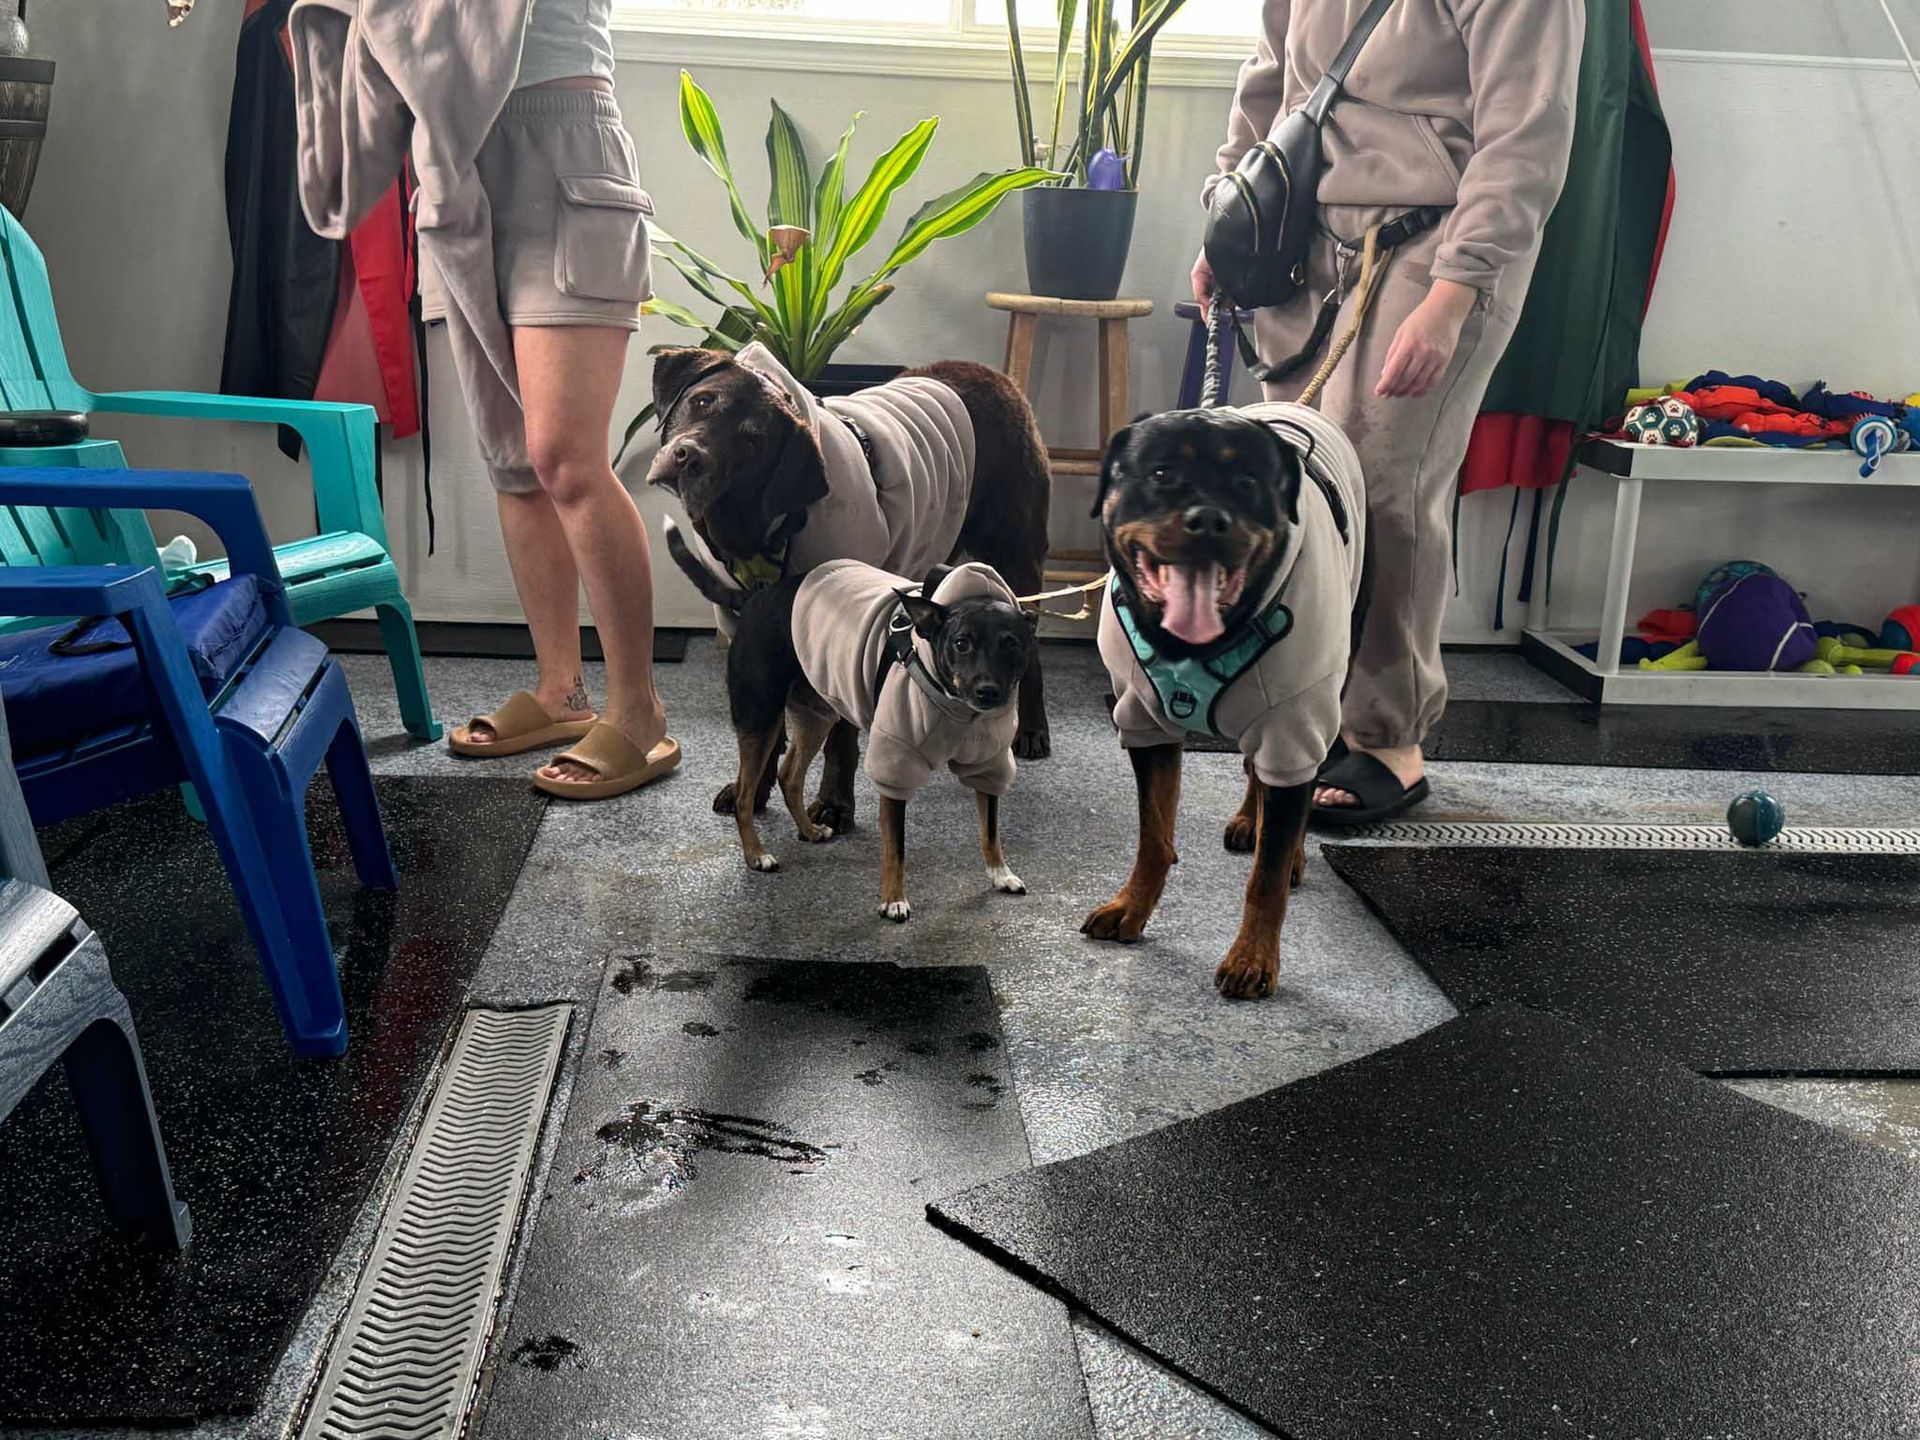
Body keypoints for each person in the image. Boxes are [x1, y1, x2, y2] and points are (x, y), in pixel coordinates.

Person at [1194, 0, 1581, 823]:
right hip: (1302, 232)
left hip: (1439, 245)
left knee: (1380, 490)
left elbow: (1527, 136)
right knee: (1296, 488)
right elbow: (1268, 81)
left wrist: (1452, 297)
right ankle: (1309, 705)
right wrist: (1228, 220)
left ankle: (1387, 738)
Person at [434, 0, 678, 801]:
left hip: (562, 135)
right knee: (513, 462)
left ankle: (638, 711)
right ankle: (558, 691)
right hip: (454, 155)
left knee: (565, 459)